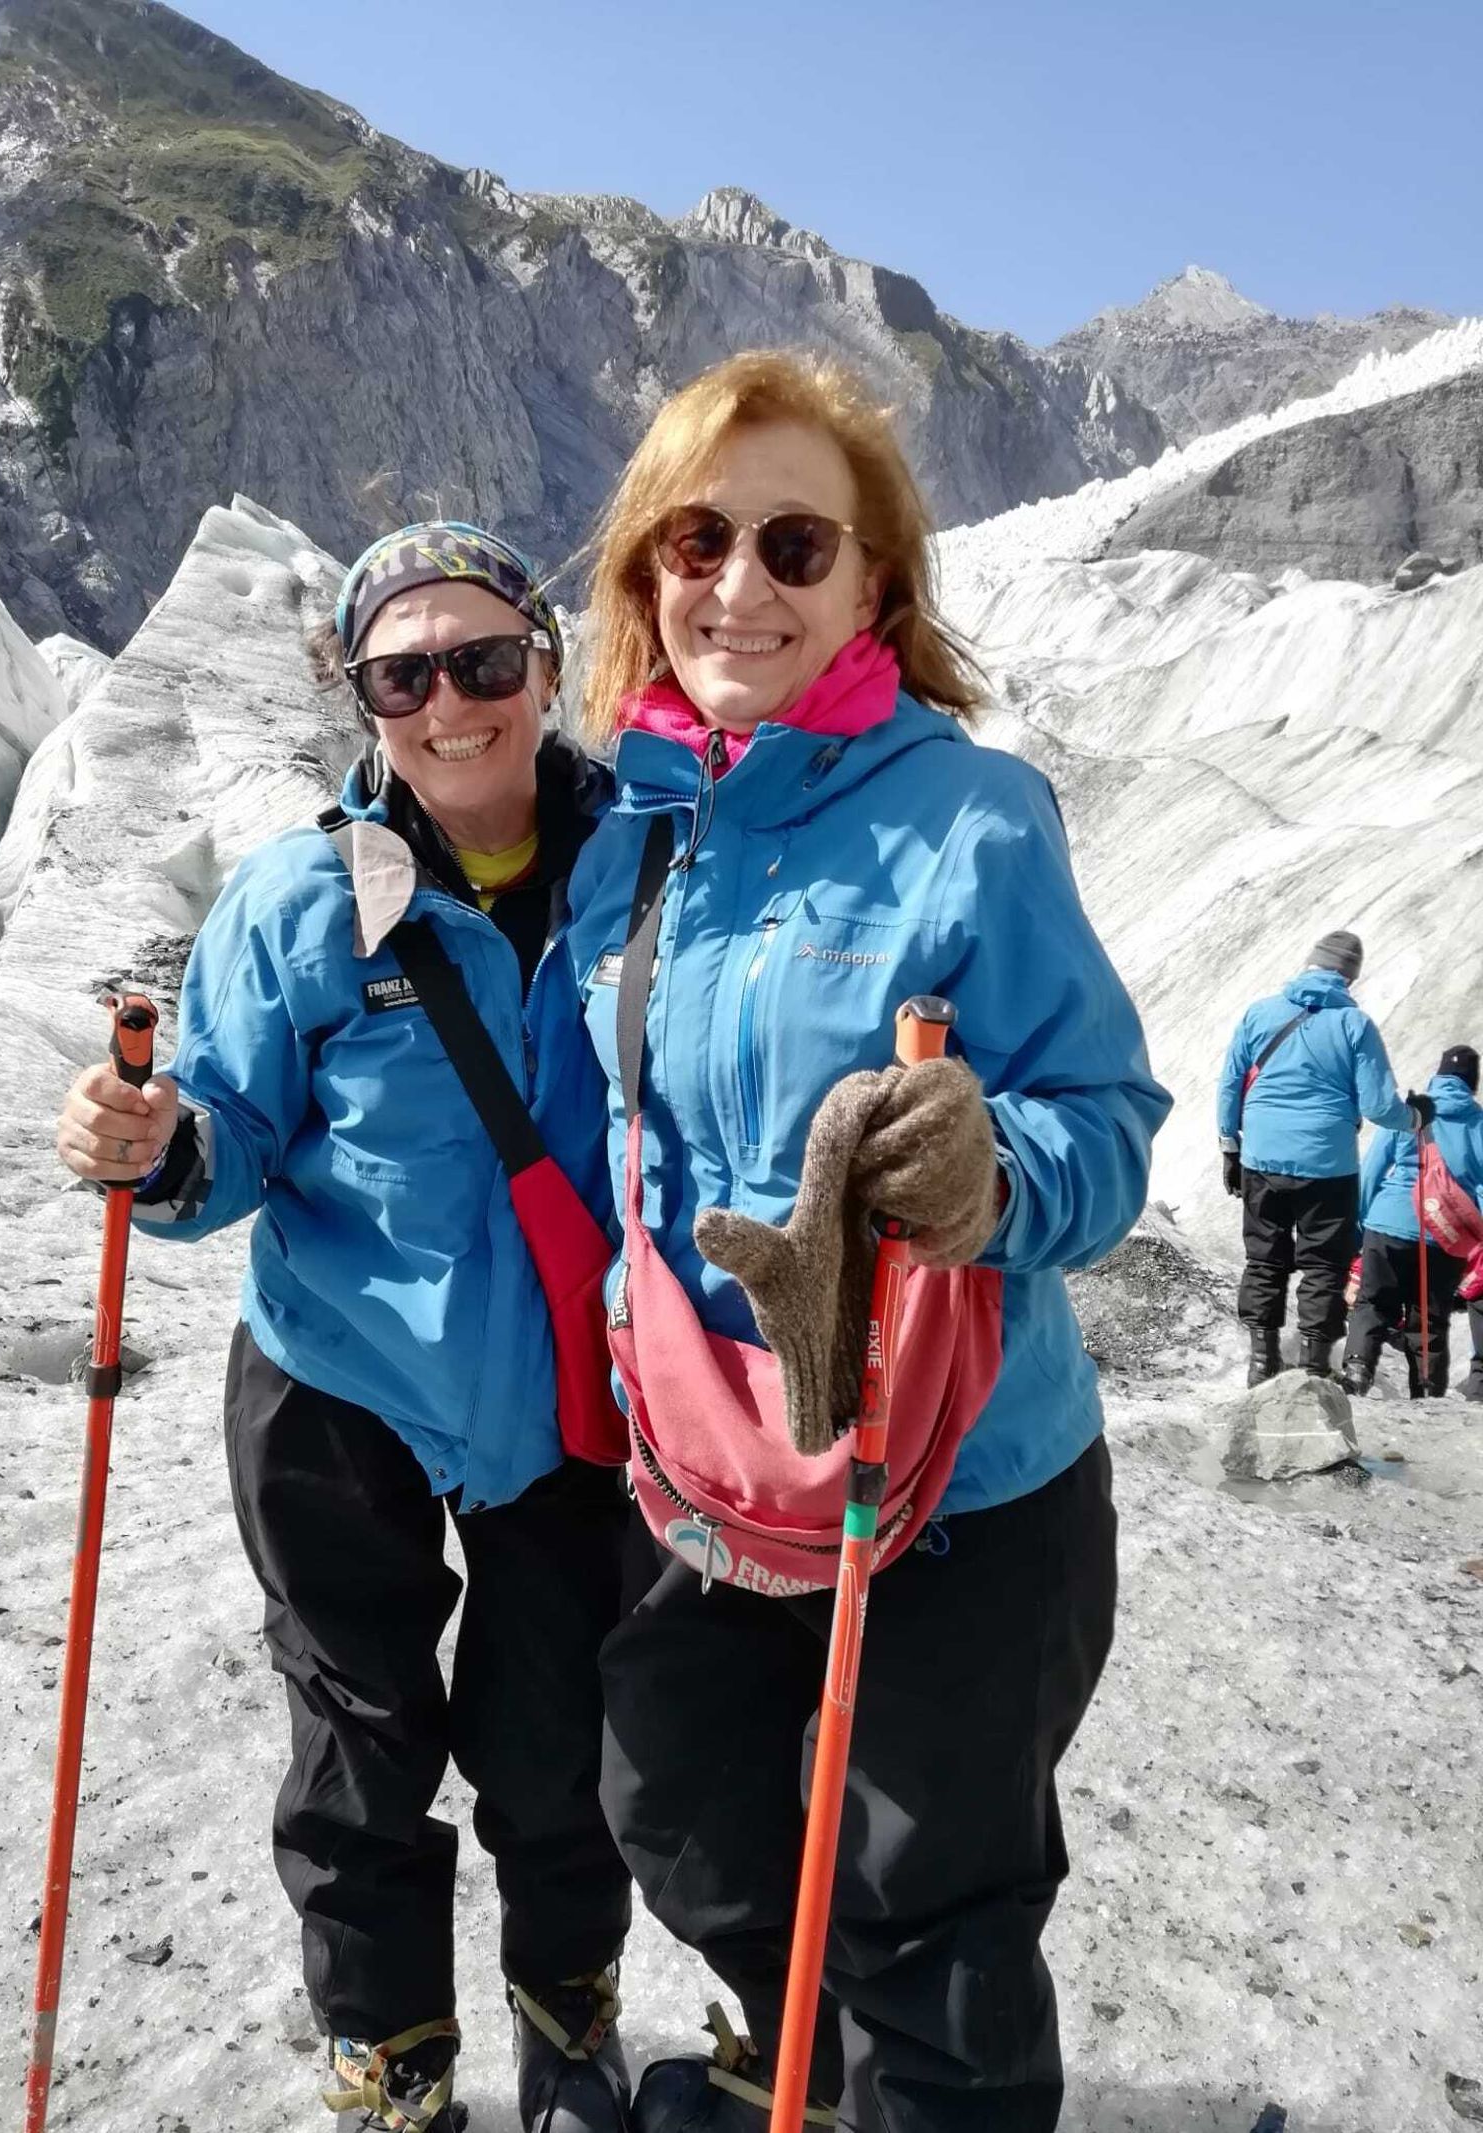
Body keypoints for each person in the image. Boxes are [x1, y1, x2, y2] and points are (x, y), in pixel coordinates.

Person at [566, 351, 1171, 2133]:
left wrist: (994, 1178)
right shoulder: (636, 837)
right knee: (680, 1806)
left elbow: (1109, 1128)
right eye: (695, 536)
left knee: (933, 1907)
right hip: (714, 1468)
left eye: (794, 540)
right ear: (644, 572)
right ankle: (811, 2066)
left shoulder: (975, 818)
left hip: (957, 1486)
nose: (738, 582)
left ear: (875, 588)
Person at [55, 523, 633, 2133]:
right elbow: (231, 1128)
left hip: (564, 1395)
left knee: (560, 1740)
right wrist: (163, 1149)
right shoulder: (298, 899)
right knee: (358, 1742)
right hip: (337, 1391)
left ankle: (565, 2013)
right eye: (403, 673)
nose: (450, 704)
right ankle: (392, 2055)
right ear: (360, 695)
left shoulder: (645, 867)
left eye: (484, 660)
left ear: (545, 660)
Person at [1216, 932, 1423, 1385]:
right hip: (1327, 1163)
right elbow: (1378, 1107)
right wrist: (1415, 1119)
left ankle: (1260, 1362)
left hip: (1262, 1156)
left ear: (1308, 964)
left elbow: (1231, 1083)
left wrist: (1229, 1147)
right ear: (1350, 976)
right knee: (1324, 1265)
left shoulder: (1260, 1013)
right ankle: (1312, 1366)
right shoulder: (1355, 1025)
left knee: (1264, 1259)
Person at [1343, 1044, 1483, 1398]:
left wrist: (1361, 1222)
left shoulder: (1411, 1111)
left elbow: (1374, 1167)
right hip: (1443, 1234)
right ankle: (1426, 1392)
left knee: (1372, 1303)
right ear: (1473, 1082)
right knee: (1429, 1321)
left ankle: (1357, 1371)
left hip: (1388, 1222)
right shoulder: (1479, 1123)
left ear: (1438, 1075)